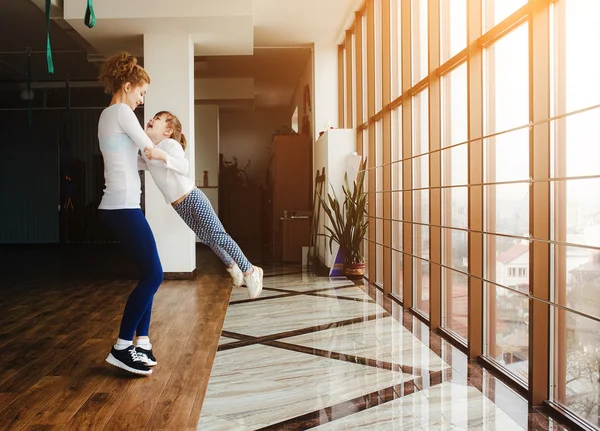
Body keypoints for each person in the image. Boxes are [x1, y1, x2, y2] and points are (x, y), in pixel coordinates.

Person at [139, 111, 263, 298]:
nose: (151, 120)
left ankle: (250, 271)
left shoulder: (169, 145)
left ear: (168, 131)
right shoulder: (153, 152)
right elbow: (138, 164)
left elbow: (184, 167)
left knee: (218, 235)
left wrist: (161, 155)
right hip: (179, 205)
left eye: (157, 119)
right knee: (207, 238)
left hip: (193, 198)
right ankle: (232, 266)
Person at [97, 52, 162, 376]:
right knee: (154, 275)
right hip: (122, 205)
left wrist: (150, 157)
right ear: (127, 86)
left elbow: (131, 158)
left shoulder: (107, 114)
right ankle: (122, 347)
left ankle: (143, 343)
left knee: (149, 274)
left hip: (119, 205)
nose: (141, 100)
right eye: (141, 93)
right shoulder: (122, 111)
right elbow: (147, 147)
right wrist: (172, 147)